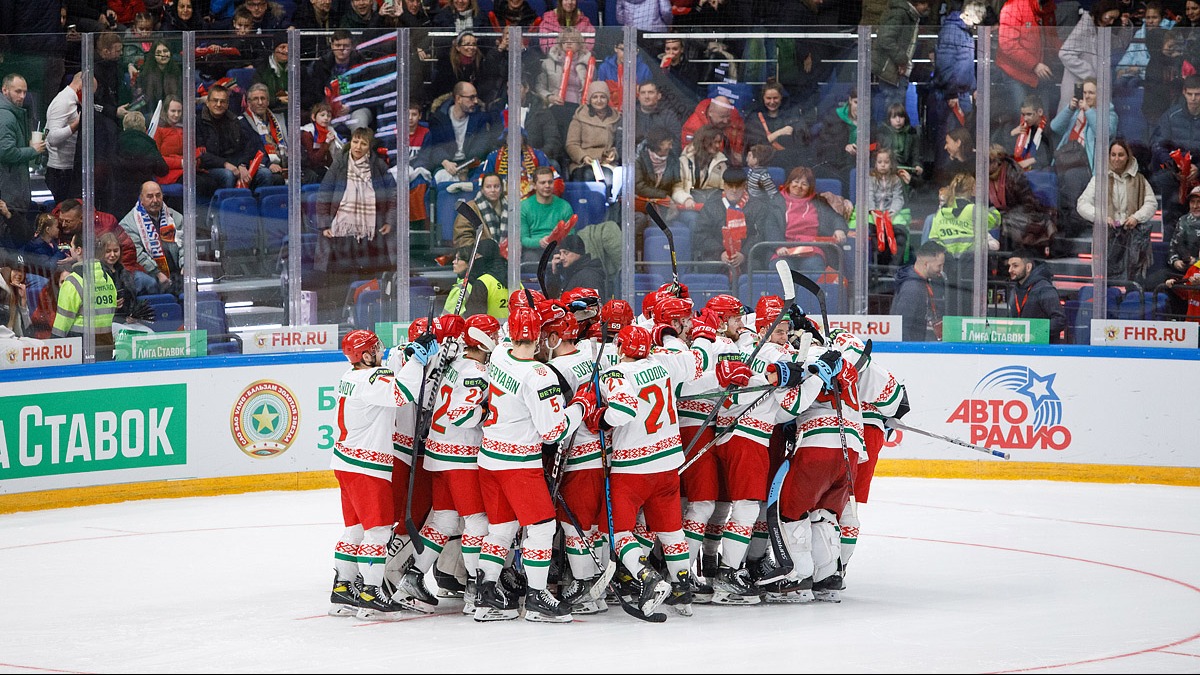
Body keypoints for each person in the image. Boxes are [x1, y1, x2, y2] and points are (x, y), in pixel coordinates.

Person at [470, 306, 593, 623]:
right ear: (538, 335)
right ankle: (537, 597)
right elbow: (554, 431)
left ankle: (484, 596)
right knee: (540, 528)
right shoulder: (538, 376)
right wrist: (581, 404)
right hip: (518, 465)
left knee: (501, 529)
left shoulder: (498, 354)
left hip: (489, 459)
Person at [327, 328, 431, 621]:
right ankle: (371, 592)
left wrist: (410, 356)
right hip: (367, 468)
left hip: (345, 462)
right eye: (375, 348)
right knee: (378, 531)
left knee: (356, 529)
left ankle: (343, 588)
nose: (380, 352)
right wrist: (418, 361)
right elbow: (403, 393)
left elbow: (391, 383)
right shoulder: (372, 378)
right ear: (363, 354)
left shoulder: (350, 376)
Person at [316, 128, 397, 321]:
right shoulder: (340, 164)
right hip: (341, 234)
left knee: (371, 281)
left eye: (363, 143)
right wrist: (325, 225)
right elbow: (324, 194)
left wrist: (389, 221)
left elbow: (393, 195)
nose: (358, 147)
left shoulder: (378, 166)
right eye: (355, 142)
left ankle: (369, 318)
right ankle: (337, 319)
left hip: (372, 235)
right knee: (339, 282)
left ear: (369, 147)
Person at [1077, 138, 1158, 282]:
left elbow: (1151, 203)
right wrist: (1101, 217)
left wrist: (1136, 217)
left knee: (1133, 280)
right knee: (1108, 281)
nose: (1116, 159)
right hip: (1108, 239)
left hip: (1134, 238)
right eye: (1113, 154)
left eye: (1121, 155)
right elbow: (1082, 204)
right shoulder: (1099, 180)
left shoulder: (1139, 179)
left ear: (1128, 157)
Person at [927, 174, 1001, 318]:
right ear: (972, 189)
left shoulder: (941, 212)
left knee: (951, 308)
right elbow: (996, 220)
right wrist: (986, 201)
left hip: (948, 266)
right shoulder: (974, 209)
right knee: (970, 310)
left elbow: (934, 239)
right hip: (970, 264)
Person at [1050, 77, 1118, 221]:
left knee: (1071, 177)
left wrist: (1088, 111)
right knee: (1046, 176)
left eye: (1091, 93)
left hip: (1085, 165)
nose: (1087, 96)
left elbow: (1105, 133)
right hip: (1065, 159)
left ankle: (1073, 222)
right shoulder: (1075, 112)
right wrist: (1069, 109)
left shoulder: (1109, 113)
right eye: (1085, 92)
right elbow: (1055, 127)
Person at [931, 0, 985, 165]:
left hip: (962, 94)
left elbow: (967, 65)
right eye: (976, 22)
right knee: (950, 140)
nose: (976, 26)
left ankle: (958, 175)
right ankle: (946, 176)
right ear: (967, 14)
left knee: (960, 140)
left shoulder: (965, 31)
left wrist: (974, 87)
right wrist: (951, 93)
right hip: (952, 97)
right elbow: (945, 65)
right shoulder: (952, 31)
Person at [418, 81, 498, 194]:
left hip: (472, 165)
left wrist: (466, 166)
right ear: (458, 98)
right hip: (448, 165)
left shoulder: (480, 118)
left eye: (476, 97)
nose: (475, 101)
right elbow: (434, 146)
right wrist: (445, 161)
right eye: (471, 98)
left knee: (483, 180)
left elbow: (481, 147)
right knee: (441, 179)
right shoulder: (439, 118)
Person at [52, 233, 118, 360]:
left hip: (79, 347)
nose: (70, 249)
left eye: (72, 246)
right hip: (105, 345)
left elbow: (62, 323)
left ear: (78, 250)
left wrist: (54, 346)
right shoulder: (108, 279)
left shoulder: (73, 281)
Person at [1058, 0, 1130, 116]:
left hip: (1091, 89)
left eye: (1114, 19)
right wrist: (1090, 73)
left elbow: (1119, 44)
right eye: (1109, 17)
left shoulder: (1099, 30)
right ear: (1101, 12)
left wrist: (1125, 27)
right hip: (1079, 88)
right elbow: (1064, 53)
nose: (1111, 22)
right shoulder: (1084, 29)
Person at [0, 74, 47, 247]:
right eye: (17, 91)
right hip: (8, 196)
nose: (22, 96)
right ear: (5, 90)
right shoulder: (5, 117)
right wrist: (32, 150)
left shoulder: (11, 114)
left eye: (24, 92)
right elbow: (5, 152)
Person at [1150, 74, 1200, 239]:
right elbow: (1158, 146)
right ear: (1184, 92)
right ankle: (1171, 252)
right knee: (1172, 219)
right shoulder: (1171, 116)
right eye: (1190, 93)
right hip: (1175, 175)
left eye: (1197, 94)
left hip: (1198, 174)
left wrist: (1197, 168)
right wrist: (1175, 165)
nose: (1193, 98)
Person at [197, 84, 270, 193]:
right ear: (207, 102)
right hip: (211, 168)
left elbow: (246, 148)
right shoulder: (198, 123)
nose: (218, 104)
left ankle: (257, 207)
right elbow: (201, 155)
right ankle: (228, 208)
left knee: (265, 174)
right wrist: (225, 164)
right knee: (228, 175)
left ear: (227, 104)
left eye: (222, 101)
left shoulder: (235, 121)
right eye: (215, 100)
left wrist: (242, 165)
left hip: (236, 165)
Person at [777, 166, 849, 273]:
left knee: (814, 266)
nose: (799, 186)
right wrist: (778, 246)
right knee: (783, 269)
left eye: (804, 184)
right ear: (789, 183)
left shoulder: (818, 202)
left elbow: (835, 218)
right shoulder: (776, 201)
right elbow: (770, 226)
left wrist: (839, 229)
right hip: (783, 249)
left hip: (812, 250)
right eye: (796, 182)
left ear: (810, 187)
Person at [119, 181, 183, 297]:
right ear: (141, 198)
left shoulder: (176, 218)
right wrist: (157, 273)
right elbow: (137, 254)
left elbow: (185, 245)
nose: (155, 200)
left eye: (158, 195)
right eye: (150, 196)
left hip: (176, 272)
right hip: (149, 273)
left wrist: (186, 266)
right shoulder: (128, 224)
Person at [996, 0, 1061, 115]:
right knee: (1022, 119)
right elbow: (1007, 44)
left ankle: (1039, 133)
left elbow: (1052, 39)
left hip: (1040, 73)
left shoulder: (1048, 7)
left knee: (1042, 119)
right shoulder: (1013, 6)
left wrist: (1066, 53)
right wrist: (1034, 65)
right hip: (1015, 73)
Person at [871, 0, 931, 122]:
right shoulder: (900, 13)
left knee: (895, 113)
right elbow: (885, 38)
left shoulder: (908, 15)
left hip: (896, 72)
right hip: (891, 72)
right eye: (925, 3)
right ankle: (889, 140)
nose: (927, 8)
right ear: (916, 3)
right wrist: (902, 60)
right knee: (893, 115)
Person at [744, 81, 810, 174]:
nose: (772, 102)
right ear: (763, 98)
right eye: (768, 98)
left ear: (781, 97)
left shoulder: (792, 115)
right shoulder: (754, 117)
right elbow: (753, 145)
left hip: (789, 165)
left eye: (775, 98)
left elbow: (802, 141)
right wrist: (779, 133)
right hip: (762, 166)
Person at [44, 73, 89, 205]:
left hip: (68, 168)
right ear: (82, 86)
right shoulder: (64, 101)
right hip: (61, 171)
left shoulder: (72, 101)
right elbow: (52, 137)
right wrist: (75, 126)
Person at [112, 112, 170, 213]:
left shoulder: (115, 142)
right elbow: (162, 170)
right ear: (144, 128)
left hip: (119, 194)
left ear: (124, 127)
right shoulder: (148, 144)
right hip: (143, 195)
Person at [890, 240, 946, 342]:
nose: (941, 270)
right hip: (911, 351)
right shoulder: (912, 288)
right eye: (939, 266)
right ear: (926, 264)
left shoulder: (919, 281)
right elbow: (902, 328)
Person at [1006, 250, 1067, 342]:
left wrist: (1036, 334)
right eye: (1009, 266)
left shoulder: (1044, 289)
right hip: (1021, 346)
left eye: (1015, 266)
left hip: (1042, 350)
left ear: (1028, 267)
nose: (1010, 270)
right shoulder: (1015, 290)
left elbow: (1060, 320)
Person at [565, 82, 621, 183]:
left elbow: (620, 143)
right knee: (587, 176)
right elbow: (571, 144)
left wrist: (614, 154)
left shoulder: (616, 118)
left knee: (609, 181)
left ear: (607, 99)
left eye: (602, 97)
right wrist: (583, 157)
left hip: (606, 163)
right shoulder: (580, 116)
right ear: (590, 99)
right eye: (595, 97)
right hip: (584, 162)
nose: (599, 101)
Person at [519, 166, 575, 263]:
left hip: (558, 248)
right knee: (530, 258)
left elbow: (571, 235)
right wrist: (539, 242)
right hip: (533, 250)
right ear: (534, 185)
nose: (547, 186)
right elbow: (523, 239)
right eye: (542, 183)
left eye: (550, 182)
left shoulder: (564, 206)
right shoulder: (523, 207)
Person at [443, 238, 510, 319]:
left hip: (487, 329)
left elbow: (473, 319)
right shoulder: (515, 282)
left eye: (477, 256)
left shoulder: (482, 283)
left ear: (486, 256)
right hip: (511, 329)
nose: (475, 260)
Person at [239, 83, 289, 186]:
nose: (260, 102)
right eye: (256, 99)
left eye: (263, 98)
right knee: (270, 176)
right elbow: (249, 150)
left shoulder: (279, 119)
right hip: (258, 165)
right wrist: (268, 164)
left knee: (309, 174)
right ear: (249, 102)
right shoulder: (242, 122)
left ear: (268, 101)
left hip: (282, 163)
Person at [995, 94, 1057, 173]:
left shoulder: (1048, 129)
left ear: (1040, 112)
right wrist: (1012, 134)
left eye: (1029, 114)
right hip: (1017, 169)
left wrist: (1030, 161)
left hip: (1037, 172)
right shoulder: (1020, 126)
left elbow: (1049, 156)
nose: (1025, 118)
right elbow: (1005, 150)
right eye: (1023, 115)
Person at [672, 124, 728, 210]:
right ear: (704, 141)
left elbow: (724, 189)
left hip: (711, 208)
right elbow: (676, 188)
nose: (717, 146)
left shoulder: (721, 163)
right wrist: (686, 199)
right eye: (714, 142)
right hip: (688, 207)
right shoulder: (684, 161)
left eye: (719, 142)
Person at [681, 96, 746, 168]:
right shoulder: (693, 127)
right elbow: (691, 158)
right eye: (722, 117)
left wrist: (739, 154)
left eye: (728, 116)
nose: (726, 120)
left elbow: (740, 134)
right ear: (710, 112)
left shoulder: (733, 115)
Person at [453, 173, 508, 249]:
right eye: (488, 187)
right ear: (482, 189)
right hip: (478, 255)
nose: (493, 190)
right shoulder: (469, 209)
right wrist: (480, 250)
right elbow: (462, 238)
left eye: (496, 186)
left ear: (502, 189)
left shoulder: (510, 208)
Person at [547, 234, 608, 299]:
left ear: (578, 252)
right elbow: (553, 300)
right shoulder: (571, 273)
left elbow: (594, 306)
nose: (561, 257)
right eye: (560, 253)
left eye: (566, 253)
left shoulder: (589, 276)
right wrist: (554, 274)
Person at [300, 102, 345, 185]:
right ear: (313, 117)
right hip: (310, 168)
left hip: (325, 167)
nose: (326, 118)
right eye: (322, 115)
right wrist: (326, 143)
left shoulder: (331, 131)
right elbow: (313, 160)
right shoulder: (308, 133)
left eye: (328, 115)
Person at [136, 40, 182, 116]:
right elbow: (144, 100)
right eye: (158, 53)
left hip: (173, 114)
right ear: (153, 55)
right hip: (150, 114)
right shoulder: (145, 74)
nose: (163, 55)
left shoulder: (177, 72)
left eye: (165, 51)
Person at [634, 81, 683, 149]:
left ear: (658, 96)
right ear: (638, 97)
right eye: (643, 93)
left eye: (651, 92)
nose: (646, 96)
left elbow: (676, 143)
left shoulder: (668, 116)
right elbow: (621, 143)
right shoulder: (630, 116)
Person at [153, 96, 187, 187]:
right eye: (173, 111)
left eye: (179, 111)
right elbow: (156, 158)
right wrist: (180, 163)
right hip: (167, 173)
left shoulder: (184, 128)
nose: (176, 115)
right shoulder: (158, 129)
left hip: (185, 169)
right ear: (166, 111)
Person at [252, 36, 290, 115]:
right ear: (274, 49)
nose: (286, 51)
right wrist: (278, 100)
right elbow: (257, 96)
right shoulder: (262, 69)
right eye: (282, 47)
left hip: (293, 109)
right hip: (269, 110)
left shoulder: (299, 68)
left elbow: (309, 94)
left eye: (290, 48)